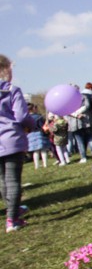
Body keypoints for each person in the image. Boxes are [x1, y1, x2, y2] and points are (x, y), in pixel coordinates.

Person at [0, 55, 36, 232]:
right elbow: (22, 116)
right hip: (11, 139)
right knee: (13, 180)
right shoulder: (11, 90)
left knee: (2, 180)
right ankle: (12, 219)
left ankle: (12, 210)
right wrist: (32, 125)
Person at [66, 84, 92, 163]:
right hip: (85, 120)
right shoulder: (83, 96)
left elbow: (66, 110)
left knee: (80, 140)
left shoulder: (67, 98)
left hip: (75, 122)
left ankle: (83, 156)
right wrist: (78, 113)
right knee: (89, 136)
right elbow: (86, 106)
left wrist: (75, 114)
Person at [27, 103, 50, 169]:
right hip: (39, 133)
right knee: (43, 150)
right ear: (33, 109)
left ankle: (36, 165)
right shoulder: (38, 117)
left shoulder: (27, 118)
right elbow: (42, 126)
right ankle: (45, 164)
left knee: (35, 151)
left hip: (31, 134)